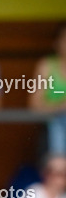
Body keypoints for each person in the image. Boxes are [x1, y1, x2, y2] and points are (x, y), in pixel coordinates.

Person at [29, 24, 66, 156]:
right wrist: (60, 107)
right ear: (57, 43)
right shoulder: (46, 65)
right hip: (52, 131)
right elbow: (35, 106)